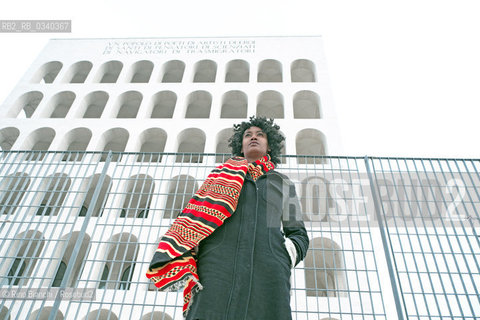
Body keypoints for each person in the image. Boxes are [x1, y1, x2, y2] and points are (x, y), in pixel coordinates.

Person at [147, 116, 309, 320]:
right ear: (240, 147)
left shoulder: (283, 184)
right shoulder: (219, 176)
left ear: (269, 147)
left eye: (260, 135)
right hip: (216, 268)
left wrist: (283, 256)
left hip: (269, 274)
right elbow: (194, 214)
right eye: (248, 135)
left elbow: (298, 233)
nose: (253, 138)